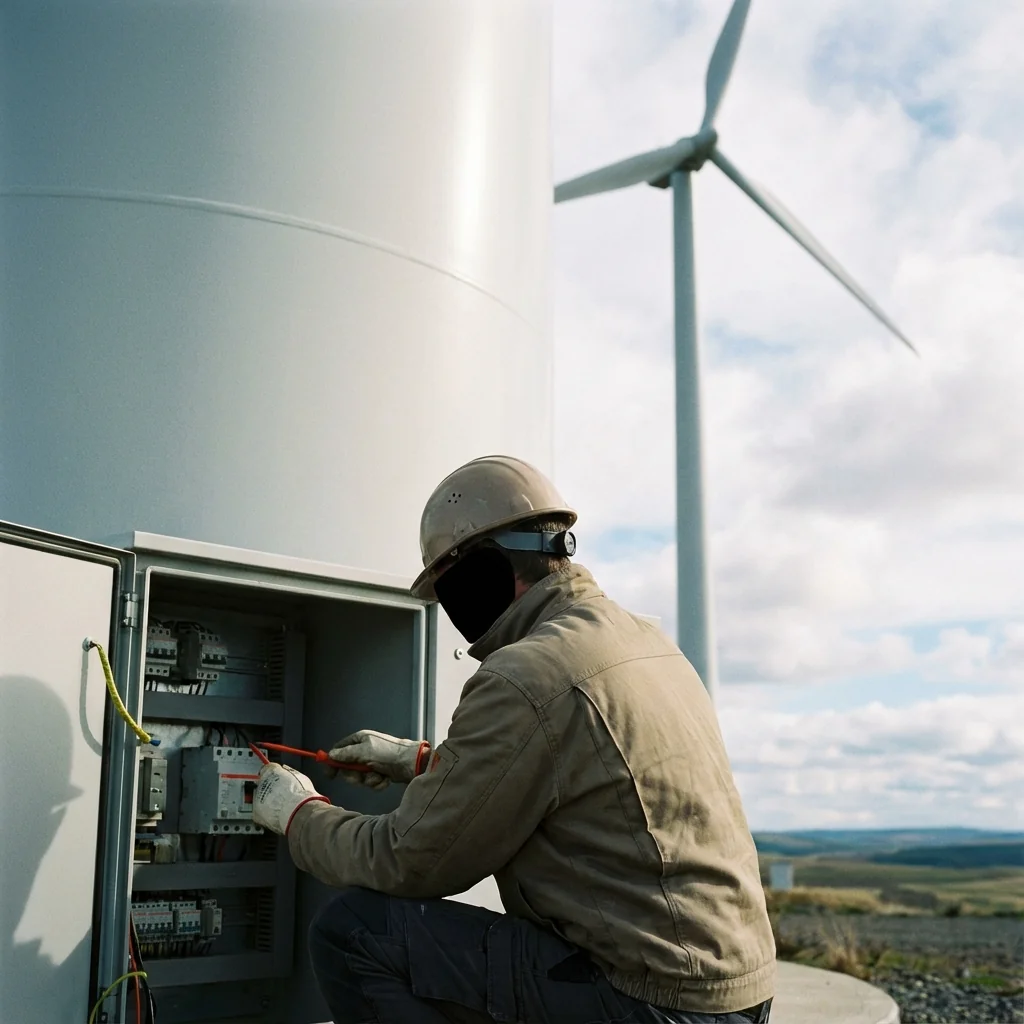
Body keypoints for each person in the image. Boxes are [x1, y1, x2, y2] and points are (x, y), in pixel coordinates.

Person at [253, 455, 775, 1024]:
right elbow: (583, 775)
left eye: (449, 583)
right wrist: (420, 761)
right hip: (732, 991)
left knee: (353, 932)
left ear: (483, 568)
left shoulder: (527, 674)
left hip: (648, 1001)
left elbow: (410, 860)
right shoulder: (644, 641)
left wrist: (299, 815)